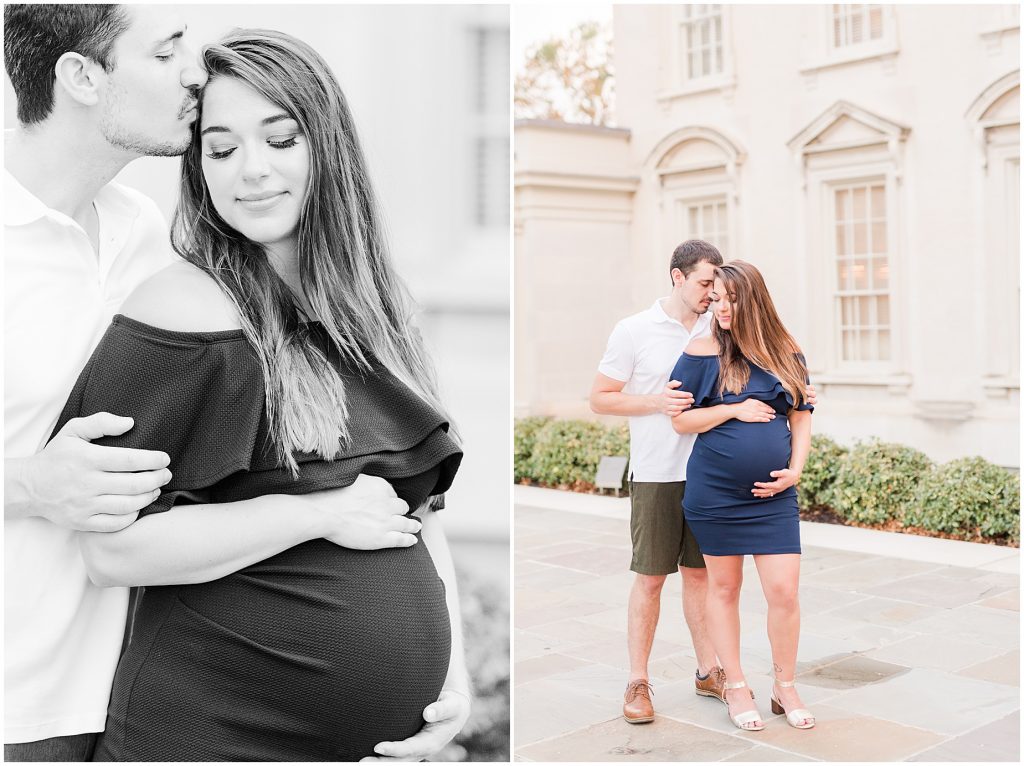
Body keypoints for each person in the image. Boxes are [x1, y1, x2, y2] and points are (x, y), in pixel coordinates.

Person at [3, 6, 467, 762]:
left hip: (103, 674)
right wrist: (27, 482)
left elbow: (419, 501)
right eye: (165, 53)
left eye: (281, 139)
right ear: (82, 77)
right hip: (61, 706)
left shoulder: (134, 235)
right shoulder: (180, 302)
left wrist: (454, 683)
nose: (192, 72)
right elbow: (116, 545)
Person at [669, 260, 815, 731]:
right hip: (716, 496)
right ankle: (735, 685)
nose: (721, 306)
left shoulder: (785, 351)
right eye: (717, 298)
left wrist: (795, 471)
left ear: (752, 299)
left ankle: (784, 685)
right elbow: (681, 420)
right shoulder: (702, 349)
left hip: (774, 497)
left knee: (784, 592)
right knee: (725, 589)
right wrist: (731, 410)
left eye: (730, 299)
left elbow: (802, 416)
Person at [589, 239, 727, 722]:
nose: (713, 292)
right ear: (678, 277)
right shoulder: (634, 330)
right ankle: (637, 682)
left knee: (701, 576)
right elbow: (601, 398)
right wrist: (655, 401)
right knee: (650, 579)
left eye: (717, 283)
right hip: (657, 474)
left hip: (711, 473)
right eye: (706, 282)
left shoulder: (722, 326)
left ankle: (710, 671)